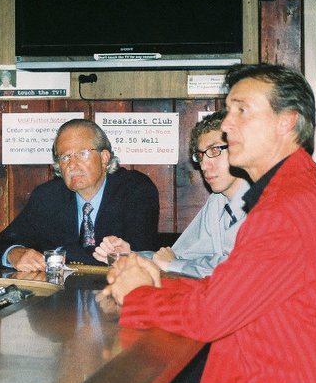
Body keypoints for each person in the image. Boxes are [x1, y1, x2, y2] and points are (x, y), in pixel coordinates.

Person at [100, 64, 316, 383]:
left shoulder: (289, 207)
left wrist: (139, 295)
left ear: (287, 122)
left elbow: (209, 317)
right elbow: (233, 291)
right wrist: (158, 279)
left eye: (241, 110)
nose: (227, 124)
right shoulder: (296, 192)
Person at [93, 110, 250, 279]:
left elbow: (241, 270)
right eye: (201, 155)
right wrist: (131, 255)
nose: (204, 165)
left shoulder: (265, 202)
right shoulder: (217, 201)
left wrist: (173, 264)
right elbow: (180, 254)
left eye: (214, 150)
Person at [0, 118, 160, 269]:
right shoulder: (48, 196)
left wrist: (57, 254)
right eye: (64, 157)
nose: (72, 164)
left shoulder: (135, 190)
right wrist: (14, 253)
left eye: (82, 154)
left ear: (104, 158)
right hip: (59, 298)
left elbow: (144, 253)